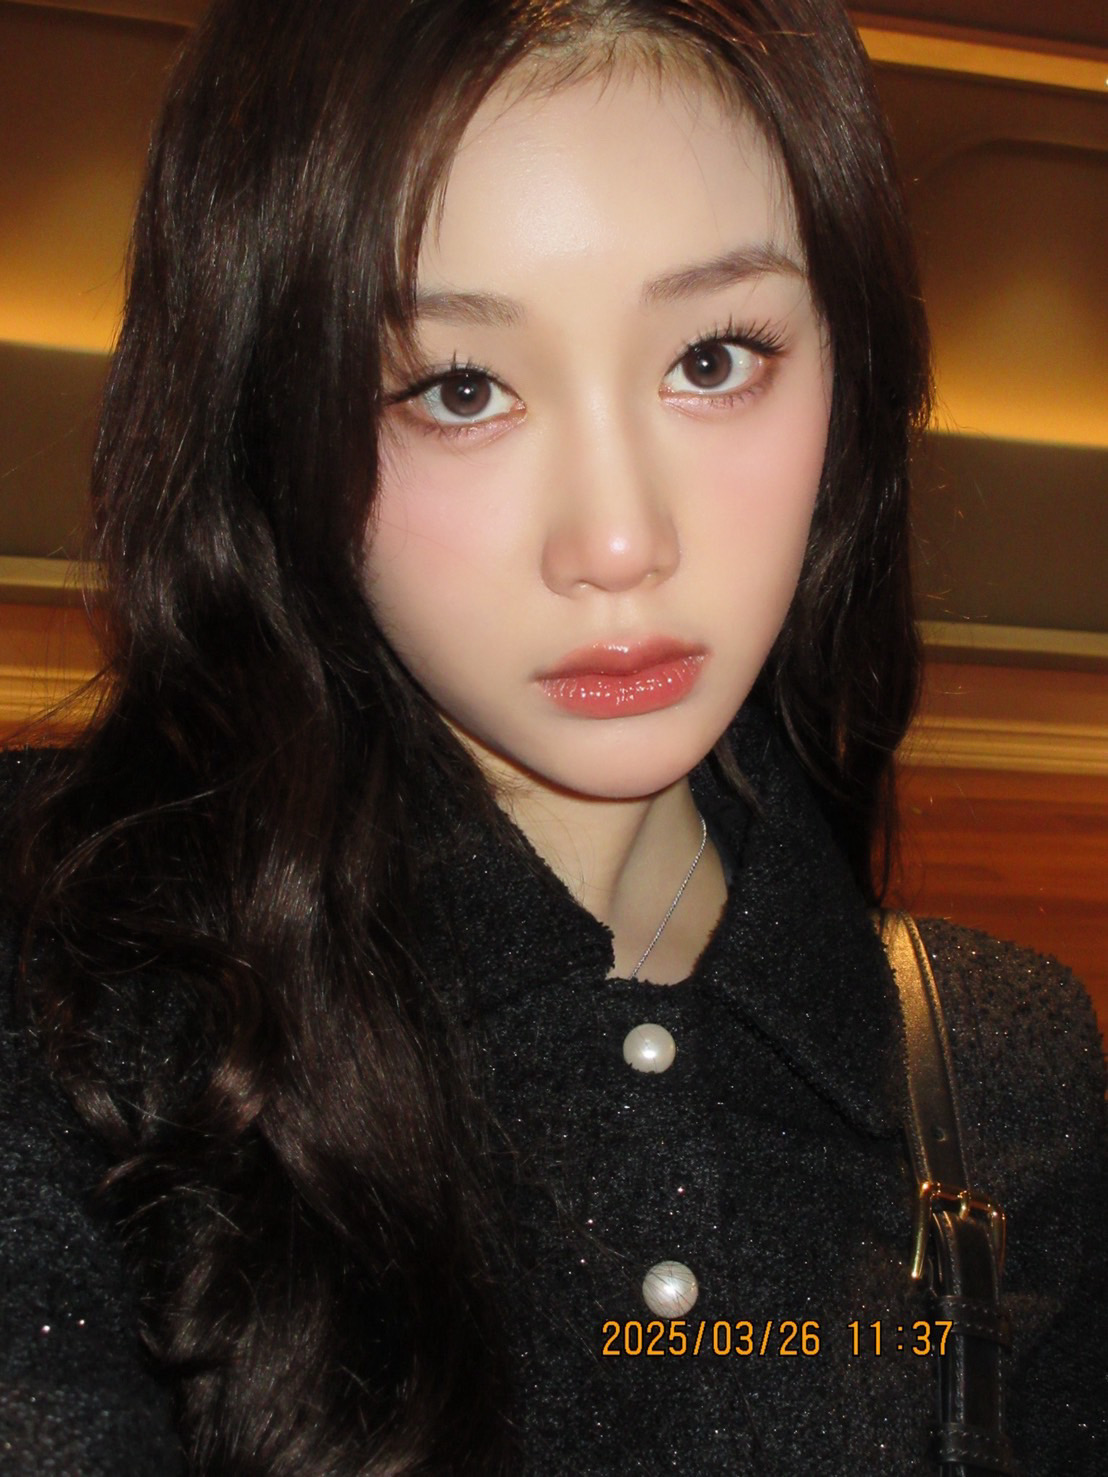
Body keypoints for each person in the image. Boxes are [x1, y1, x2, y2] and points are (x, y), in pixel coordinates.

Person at [0, 0, 1103, 1472]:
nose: (621, 541)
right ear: (270, 419)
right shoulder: (61, 976)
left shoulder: (1000, 1066)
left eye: (713, 358)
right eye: (460, 389)